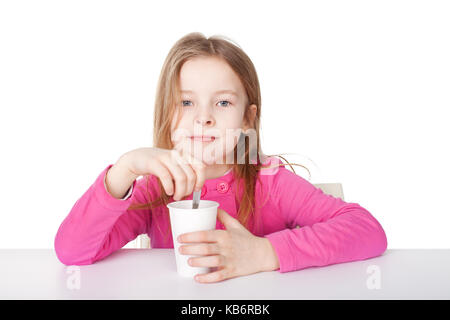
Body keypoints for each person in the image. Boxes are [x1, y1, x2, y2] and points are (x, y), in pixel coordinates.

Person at [54, 32, 388, 283]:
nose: (203, 117)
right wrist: (124, 169)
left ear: (247, 118)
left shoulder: (271, 183)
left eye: (223, 103)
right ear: (166, 115)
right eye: (186, 103)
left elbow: (368, 230)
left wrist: (265, 252)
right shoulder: (156, 190)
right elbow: (73, 251)